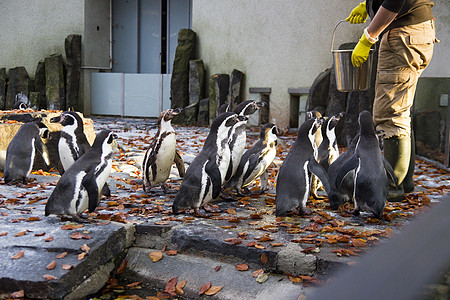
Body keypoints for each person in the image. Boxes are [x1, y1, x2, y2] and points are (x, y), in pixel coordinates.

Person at [346, 0, 438, 201]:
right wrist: (369, 4)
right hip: (413, 31)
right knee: (400, 108)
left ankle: (390, 188)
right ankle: (403, 183)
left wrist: (368, 36)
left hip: (402, 35)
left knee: (390, 112)